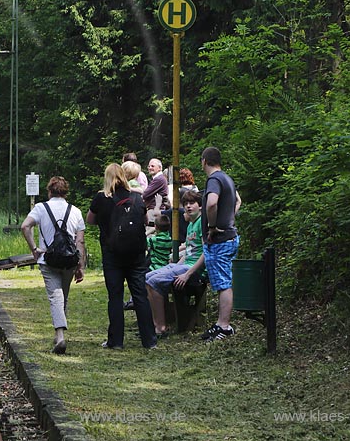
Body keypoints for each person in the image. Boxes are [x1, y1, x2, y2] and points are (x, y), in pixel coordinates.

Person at [87, 164, 157, 350]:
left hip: (112, 255)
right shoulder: (136, 197)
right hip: (136, 256)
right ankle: (149, 340)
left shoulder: (101, 198)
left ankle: (116, 341)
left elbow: (90, 220)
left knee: (115, 297)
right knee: (140, 295)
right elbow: (146, 221)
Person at [21, 176, 86, 355]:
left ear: (49, 191)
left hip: (48, 260)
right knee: (62, 296)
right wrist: (81, 266)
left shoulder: (41, 208)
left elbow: (25, 226)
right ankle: (59, 335)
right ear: (66, 192)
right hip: (70, 261)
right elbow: (79, 241)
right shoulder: (76, 211)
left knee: (55, 296)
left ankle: (60, 336)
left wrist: (34, 248)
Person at [144, 189, 207, 338]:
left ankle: (161, 327)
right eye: (186, 204)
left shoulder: (202, 224)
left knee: (154, 281)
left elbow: (207, 254)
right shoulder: (191, 224)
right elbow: (190, 252)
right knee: (146, 277)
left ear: (201, 206)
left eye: (192, 203)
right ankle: (154, 323)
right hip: (185, 265)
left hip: (195, 271)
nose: (188, 206)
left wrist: (187, 274)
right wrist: (176, 264)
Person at [200, 146, 242, 341]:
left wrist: (214, 225)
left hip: (220, 240)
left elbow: (211, 203)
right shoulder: (228, 179)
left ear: (204, 161)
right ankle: (219, 324)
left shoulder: (214, 180)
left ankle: (224, 326)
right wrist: (230, 219)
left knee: (223, 283)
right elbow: (238, 201)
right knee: (222, 281)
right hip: (230, 236)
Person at [142, 158, 171, 223]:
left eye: (152, 166)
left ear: (160, 168)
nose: (150, 168)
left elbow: (145, 194)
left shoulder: (159, 179)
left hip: (154, 210)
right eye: (149, 166)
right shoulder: (158, 179)